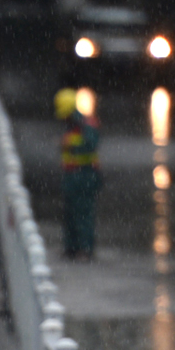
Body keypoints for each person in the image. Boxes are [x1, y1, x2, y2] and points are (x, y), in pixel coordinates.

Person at [56, 86, 101, 261]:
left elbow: (90, 144)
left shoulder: (86, 125)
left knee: (83, 214)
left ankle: (85, 249)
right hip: (72, 177)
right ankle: (72, 248)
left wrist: (69, 143)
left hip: (84, 177)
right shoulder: (71, 126)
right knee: (70, 214)